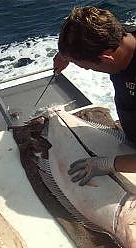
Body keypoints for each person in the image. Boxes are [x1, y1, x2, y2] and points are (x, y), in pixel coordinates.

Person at [53, 6, 136, 186]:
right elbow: (84, 33)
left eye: (89, 67)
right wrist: (66, 55)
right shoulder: (121, 37)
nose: (90, 70)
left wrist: (107, 164)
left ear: (107, 59)